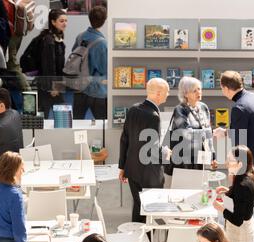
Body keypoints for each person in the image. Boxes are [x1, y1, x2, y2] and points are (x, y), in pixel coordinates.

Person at [215, 70, 254, 223]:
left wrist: (234, 171)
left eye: (221, 88)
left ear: (226, 88)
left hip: (250, 163)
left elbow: (238, 144)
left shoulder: (238, 108)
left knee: (250, 203)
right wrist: (227, 132)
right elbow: (250, 127)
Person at [119, 78, 170, 223]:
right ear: (159, 93)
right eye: (166, 92)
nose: (168, 95)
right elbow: (152, 150)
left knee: (138, 207)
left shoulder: (133, 109)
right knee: (150, 211)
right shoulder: (153, 116)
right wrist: (165, 152)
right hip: (149, 173)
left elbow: (125, 139)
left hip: (132, 170)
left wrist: (122, 167)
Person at [212, 145, 254, 242]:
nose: (227, 163)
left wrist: (220, 208)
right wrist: (229, 191)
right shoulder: (246, 178)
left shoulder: (242, 185)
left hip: (240, 234)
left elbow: (237, 220)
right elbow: (245, 201)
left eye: (231, 160)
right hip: (245, 229)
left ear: (240, 164)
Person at [166, 76, 216, 175]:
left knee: (200, 188)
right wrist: (209, 132)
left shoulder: (203, 107)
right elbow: (186, 133)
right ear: (185, 93)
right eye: (194, 90)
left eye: (199, 89)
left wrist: (212, 156)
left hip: (200, 157)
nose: (199, 92)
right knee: (186, 188)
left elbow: (208, 134)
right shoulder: (180, 110)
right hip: (184, 159)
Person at [72, 5, 108, 120]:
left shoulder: (80, 37)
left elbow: (74, 55)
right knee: (103, 125)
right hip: (96, 90)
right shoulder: (102, 43)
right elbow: (104, 69)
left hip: (79, 87)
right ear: (104, 20)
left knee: (76, 124)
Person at [36, 9, 68, 118]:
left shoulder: (58, 37)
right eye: (61, 21)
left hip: (55, 84)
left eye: (66, 21)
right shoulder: (49, 40)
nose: (65, 23)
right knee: (45, 118)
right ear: (53, 22)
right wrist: (53, 87)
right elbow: (49, 65)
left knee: (60, 118)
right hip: (49, 87)